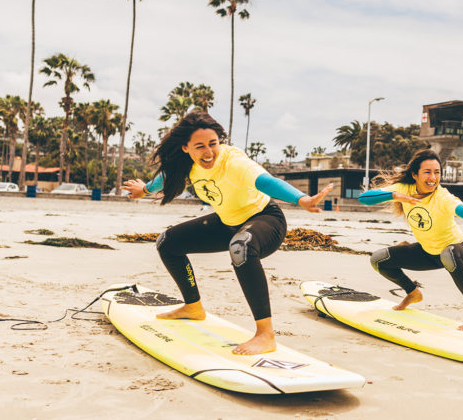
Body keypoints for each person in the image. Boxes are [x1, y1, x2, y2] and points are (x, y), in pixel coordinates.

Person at [123, 111, 333, 355]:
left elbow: (266, 181)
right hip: (229, 222)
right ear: (185, 148)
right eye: (199, 146)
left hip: (265, 219)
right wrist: (145, 189)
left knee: (241, 247)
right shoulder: (187, 164)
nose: (209, 152)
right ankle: (193, 307)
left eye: (213, 144)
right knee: (167, 242)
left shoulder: (233, 161)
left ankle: (266, 335)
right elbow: (167, 176)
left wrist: (301, 199)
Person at [359, 148, 463, 331]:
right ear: (415, 175)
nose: (433, 177)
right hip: (428, 252)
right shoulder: (404, 189)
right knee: (379, 259)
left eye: (437, 172)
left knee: (448, 254)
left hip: (460, 250)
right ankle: (413, 293)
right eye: (427, 172)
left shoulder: (442, 197)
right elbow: (365, 199)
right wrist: (393, 195)